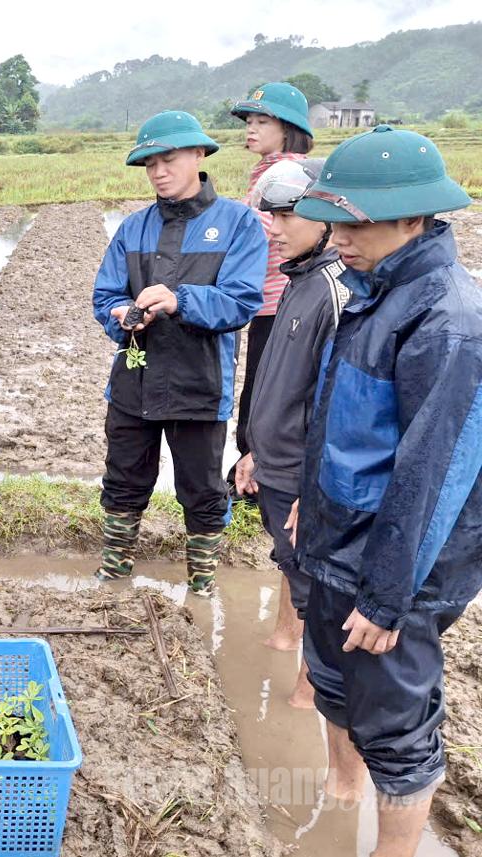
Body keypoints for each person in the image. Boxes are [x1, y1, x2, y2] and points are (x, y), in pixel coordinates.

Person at [293, 126, 481, 857]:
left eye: (357, 220)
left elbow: (432, 476)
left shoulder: (449, 321)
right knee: (332, 680)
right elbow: (351, 427)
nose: (339, 235)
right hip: (340, 543)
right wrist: (316, 497)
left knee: (396, 722)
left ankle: (391, 850)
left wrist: (387, 595)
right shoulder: (375, 291)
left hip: (396, 564)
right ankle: (343, 789)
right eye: (336, 217)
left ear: (415, 218)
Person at [92, 110, 267, 595]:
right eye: (150, 165)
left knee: (202, 489)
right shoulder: (133, 228)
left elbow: (241, 300)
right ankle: (113, 573)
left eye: (168, 160)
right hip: (133, 380)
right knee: (123, 480)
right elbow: (105, 295)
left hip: (200, 383)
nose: (158, 172)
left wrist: (179, 299)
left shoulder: (237, 223)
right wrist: (121, 313)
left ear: (198, 154)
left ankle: (203, 584)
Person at [232, 158, 348, 709]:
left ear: (324, 217)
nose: (273, 228)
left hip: (304, 477)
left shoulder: (332, 290)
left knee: (314, 590)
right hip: (275, 464)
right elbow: (281, 383)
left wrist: (313, 488)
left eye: (285, 215)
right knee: (290, 563)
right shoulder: (297, 284)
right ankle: (294, 661)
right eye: (270, 215)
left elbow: (334, 404)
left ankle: (307, 697)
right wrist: (254, 449)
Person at [229, 82, 315, 465]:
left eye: (262, 121)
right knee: (265, 387)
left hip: (277, 301)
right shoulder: (269, 169)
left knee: (265, 391)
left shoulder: (285, 172)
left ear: (288, 129)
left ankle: (254, 476)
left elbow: (261, 231)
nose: (251, 128)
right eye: (249, 120)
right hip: (268, 299)